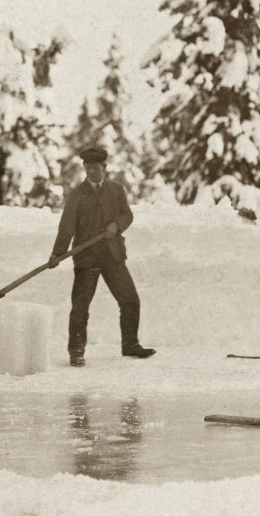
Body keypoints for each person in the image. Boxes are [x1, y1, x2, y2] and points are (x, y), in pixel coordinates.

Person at [49, 146, 155, 367]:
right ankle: (76, 351)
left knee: (130, 300)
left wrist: (116, 226)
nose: (92, 172)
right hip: (86, 258)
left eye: (96, 168)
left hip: (112, 256)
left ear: (104, 167)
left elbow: (127, 214)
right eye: (88, 168)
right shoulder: (77, 195)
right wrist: (58, 253)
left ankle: (130, 344)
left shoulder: (116, 190)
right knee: (80, 307)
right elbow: (66, 227)